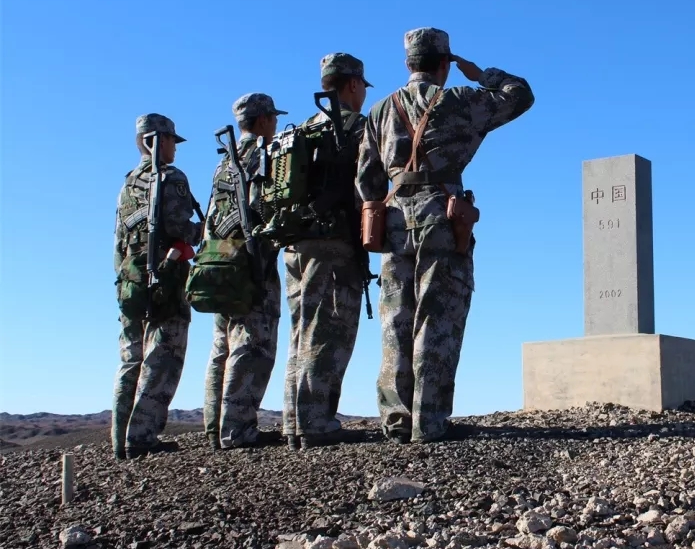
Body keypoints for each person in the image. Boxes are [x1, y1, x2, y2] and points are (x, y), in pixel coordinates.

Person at [356, 28, 534, 444]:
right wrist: (480, 73)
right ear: (444, 63)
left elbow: (366, 177)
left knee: (396, 321)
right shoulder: (459, 101)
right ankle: (429, 421)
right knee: (439, 318)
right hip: (443, 213)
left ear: (407, 64)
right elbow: (520, 94)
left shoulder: (380, 110)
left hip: (395, 218)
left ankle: (396, 422)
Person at [281, 53, 373, 450]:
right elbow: (371, 181)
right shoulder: (355, 126)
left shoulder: (300, 130)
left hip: (295, 246)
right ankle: (315, 422)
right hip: (334, 245)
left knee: (301, 332)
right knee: (329, 332)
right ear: (352, 85)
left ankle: (294, 422)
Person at [112, 114, 203, 459]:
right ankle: (142, 435)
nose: (174, 149)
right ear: (159, 141)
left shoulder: (127, 185)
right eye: (171, 142)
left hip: (130, 281)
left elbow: (119, 239)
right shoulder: (171, 178)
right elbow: (179, 226)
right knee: (164, 356)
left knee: (131, 358)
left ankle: (120, 438)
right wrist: (200, 231)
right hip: (165, 277)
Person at [202, 93, 287, 449]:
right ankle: (237, 429)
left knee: (221, 346)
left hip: (218, 259)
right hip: (251, 261)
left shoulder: (223, 163)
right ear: (265, 120)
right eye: (274, 119)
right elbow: (267, 206)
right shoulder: (267, 154)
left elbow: (211, 217)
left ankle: (213, 427)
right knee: (252, 345)